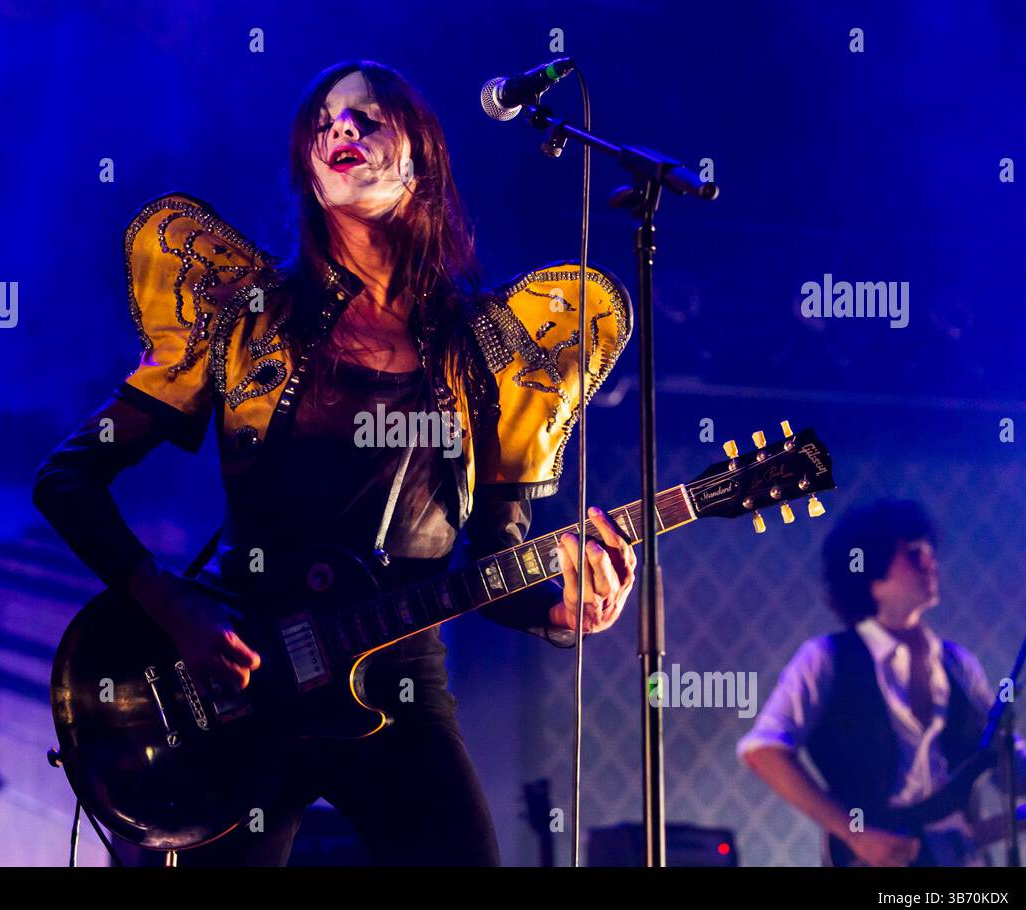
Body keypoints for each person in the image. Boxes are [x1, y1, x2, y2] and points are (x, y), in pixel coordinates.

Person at [33, 60, 636, 865]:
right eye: (323, 125)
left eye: (368, 117)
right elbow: (66, 479)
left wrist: (563, 614)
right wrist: (179, 612)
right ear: (312, 178)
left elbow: (492, 558)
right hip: (236, 683)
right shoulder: (241, 320)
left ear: (420, 157)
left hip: (401, 683)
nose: (340, 131)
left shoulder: (484, 351)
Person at [738, 499, 1026, 866]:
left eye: (929, 551)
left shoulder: (957, 664)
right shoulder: (826, 658)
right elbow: (763, 750)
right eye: (913, 553)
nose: (930, 561)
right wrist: (854, 834)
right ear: (871, 575)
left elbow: (1012, 770)